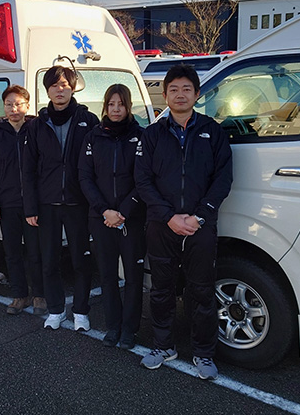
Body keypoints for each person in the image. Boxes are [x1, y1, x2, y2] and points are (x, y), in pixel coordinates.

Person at [135, 64, 233, 380]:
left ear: (197, 94)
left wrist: (199, 216)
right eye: (174, 89)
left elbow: (223, 179)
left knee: (202, 291)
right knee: (161, 290)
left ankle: (203, 353)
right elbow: (143, 180)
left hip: (200, 226)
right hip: (161, 225)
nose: (180, 94)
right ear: (164, 95)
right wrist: (169, 217)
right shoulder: (151, 134)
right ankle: (163, 345)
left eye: (186, 89)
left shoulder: (213, 132)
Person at [23, 66, 99, 331]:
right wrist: (30, 207)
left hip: (79, 204)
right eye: (54, 85)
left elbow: (96, 166)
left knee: (81, 260)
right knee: (50, 261)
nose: (60, 90)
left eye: (65, 84)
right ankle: (55, 309)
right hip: (47, 204)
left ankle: (80, 310)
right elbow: (28, 169)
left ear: (73, 87)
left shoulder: (88, 121)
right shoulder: (36, 125)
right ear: (47, 90)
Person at [79, 84, 146, 348]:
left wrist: (124, 211)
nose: (116, 109)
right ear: (105, 106)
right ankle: (113, 326)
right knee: (107, 276)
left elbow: (144, 179)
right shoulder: (93, 137)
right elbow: (85, 177)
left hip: (132, 218)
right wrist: (104, 210)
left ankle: (130, 329)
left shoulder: (141, 136)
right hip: (101, 218)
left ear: (128, 106)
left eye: (121, 104)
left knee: (133, 276)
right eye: (111, 104)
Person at [0, 85, 45, 316]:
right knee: (12, 252)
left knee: (35, 251)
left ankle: (39, 294)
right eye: (9, 104)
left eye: (18, 103)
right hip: (7, 204)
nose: (13, 108)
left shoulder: (37, 130)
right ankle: (20, 294)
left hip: (33, 204)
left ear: (27, 105)